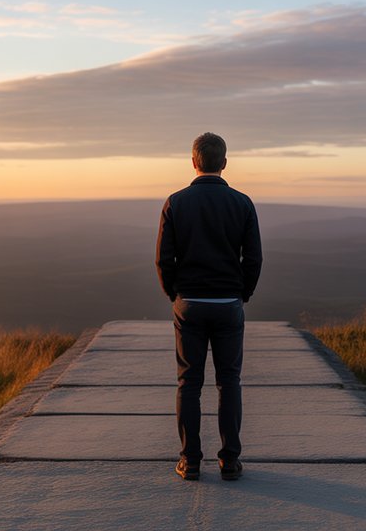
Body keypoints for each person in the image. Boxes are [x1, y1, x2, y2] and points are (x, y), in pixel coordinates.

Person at [155, 132, 262, 482]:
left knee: (189, 383)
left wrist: (175, 292)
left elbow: (163, 259)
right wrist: (242, 293)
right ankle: (230, 460)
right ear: (225, 163)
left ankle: (190, 461)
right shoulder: (242, 203)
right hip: (228, 302)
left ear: (193, 161)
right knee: (229, 380)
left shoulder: (175, 202)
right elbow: (254, 258)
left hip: (190, 303)